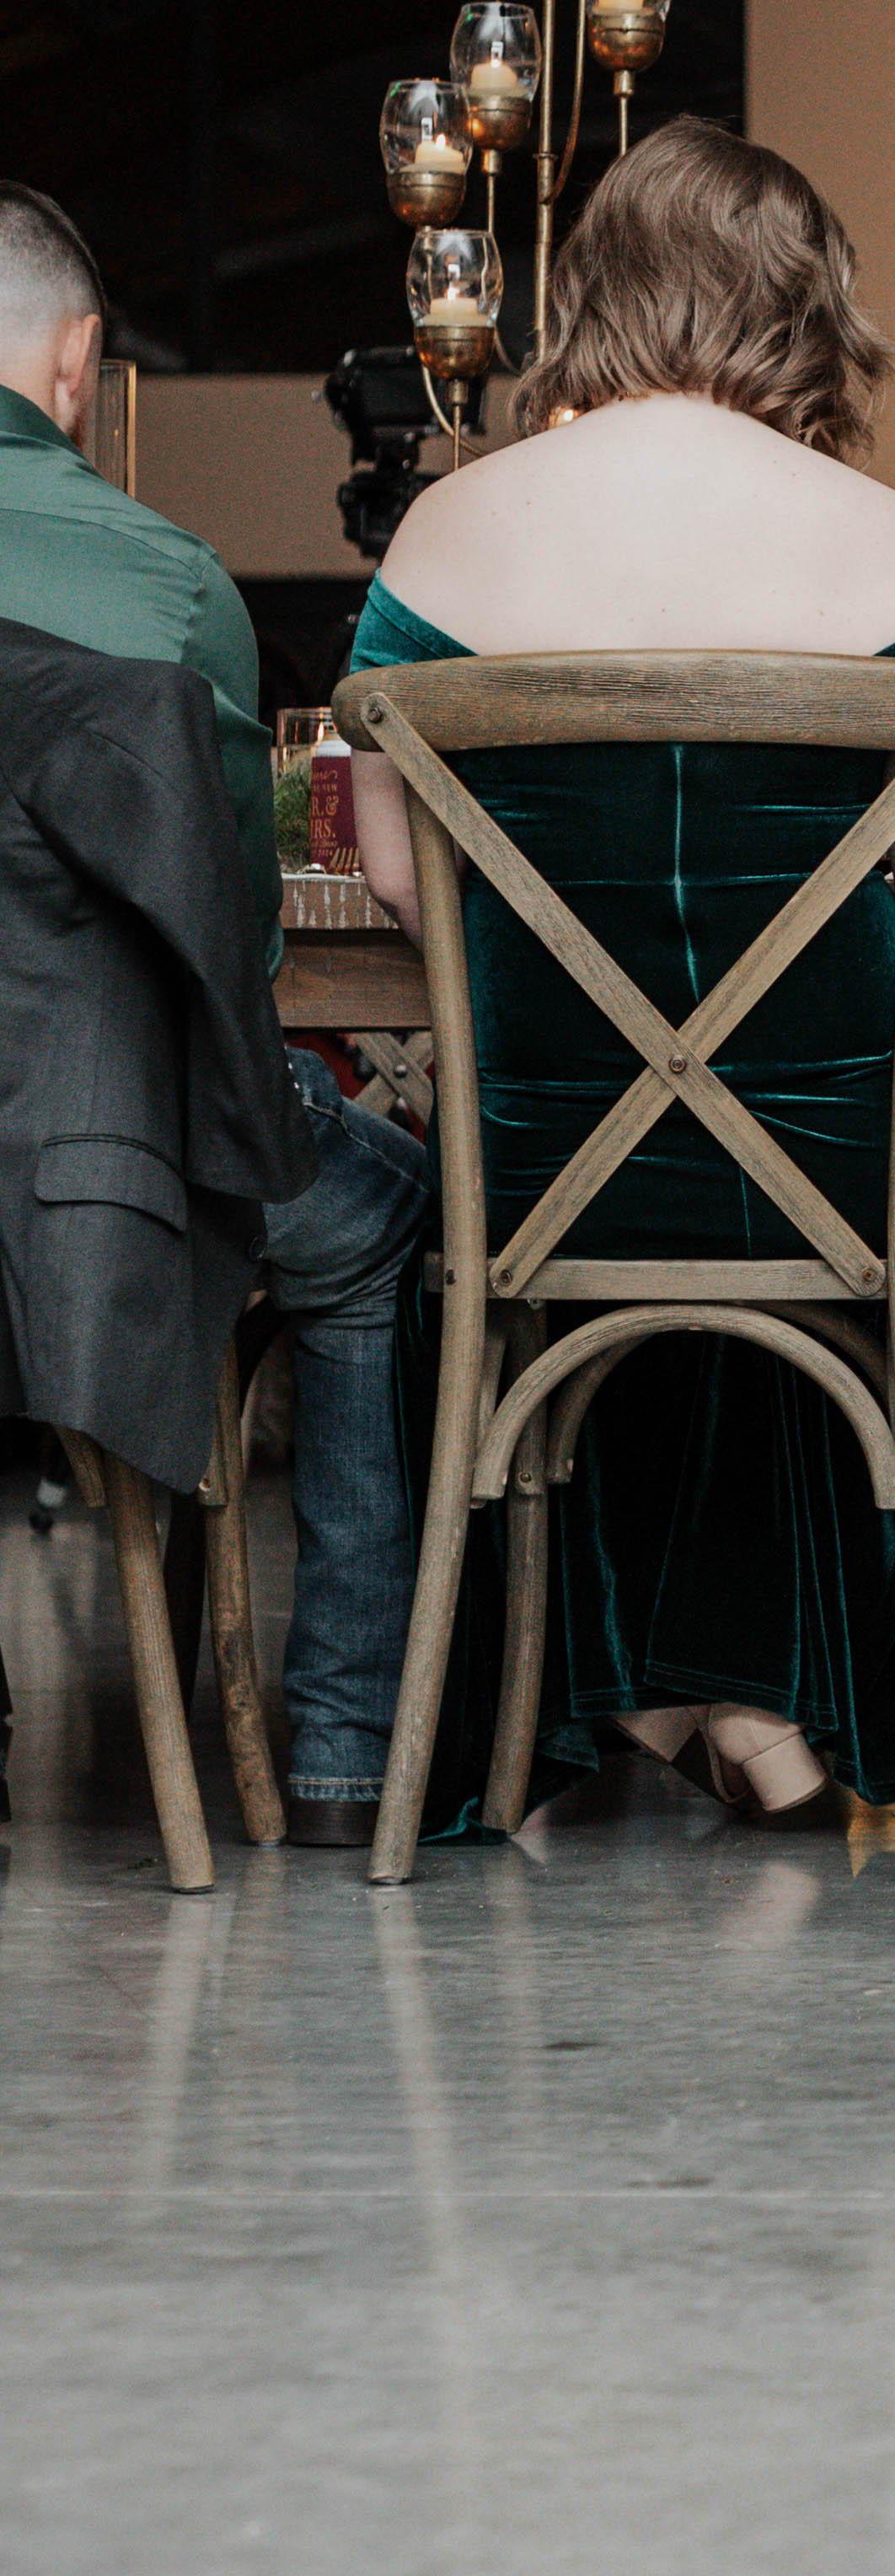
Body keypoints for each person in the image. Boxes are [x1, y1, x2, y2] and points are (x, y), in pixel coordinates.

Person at [349, 119, 895, 1835]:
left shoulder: (444, 535)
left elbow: (394, 877)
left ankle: (646, 1685)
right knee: (877, 1233)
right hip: (837, 1162)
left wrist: (598, 1018)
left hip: (539, 1154)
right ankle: (755, 1696)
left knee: (597, 1260)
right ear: (806, 308)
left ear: (593, 295)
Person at [0, 184, 430, 1848]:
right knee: (382, 1221)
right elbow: (236, 952)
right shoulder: (172, 588)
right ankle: (339, 1756)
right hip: (100, 1191)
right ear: (78, 364)